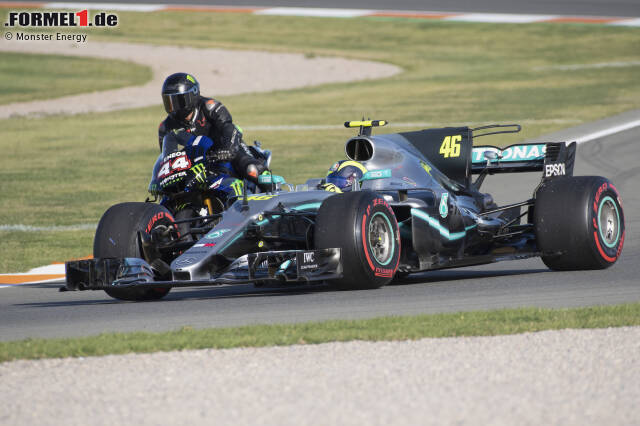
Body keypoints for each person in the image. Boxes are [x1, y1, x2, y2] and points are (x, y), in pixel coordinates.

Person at [159, 72, 266, 183]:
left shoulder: (210, 106)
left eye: (178, 101)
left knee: (251, 169)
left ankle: (272, 185)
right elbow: (166, 159)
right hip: (197, 162)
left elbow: (230, 128)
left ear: (192, 95)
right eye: (169, 102)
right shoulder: (165, 127)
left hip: (226, 149)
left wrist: (228, 150)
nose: (173, 108)